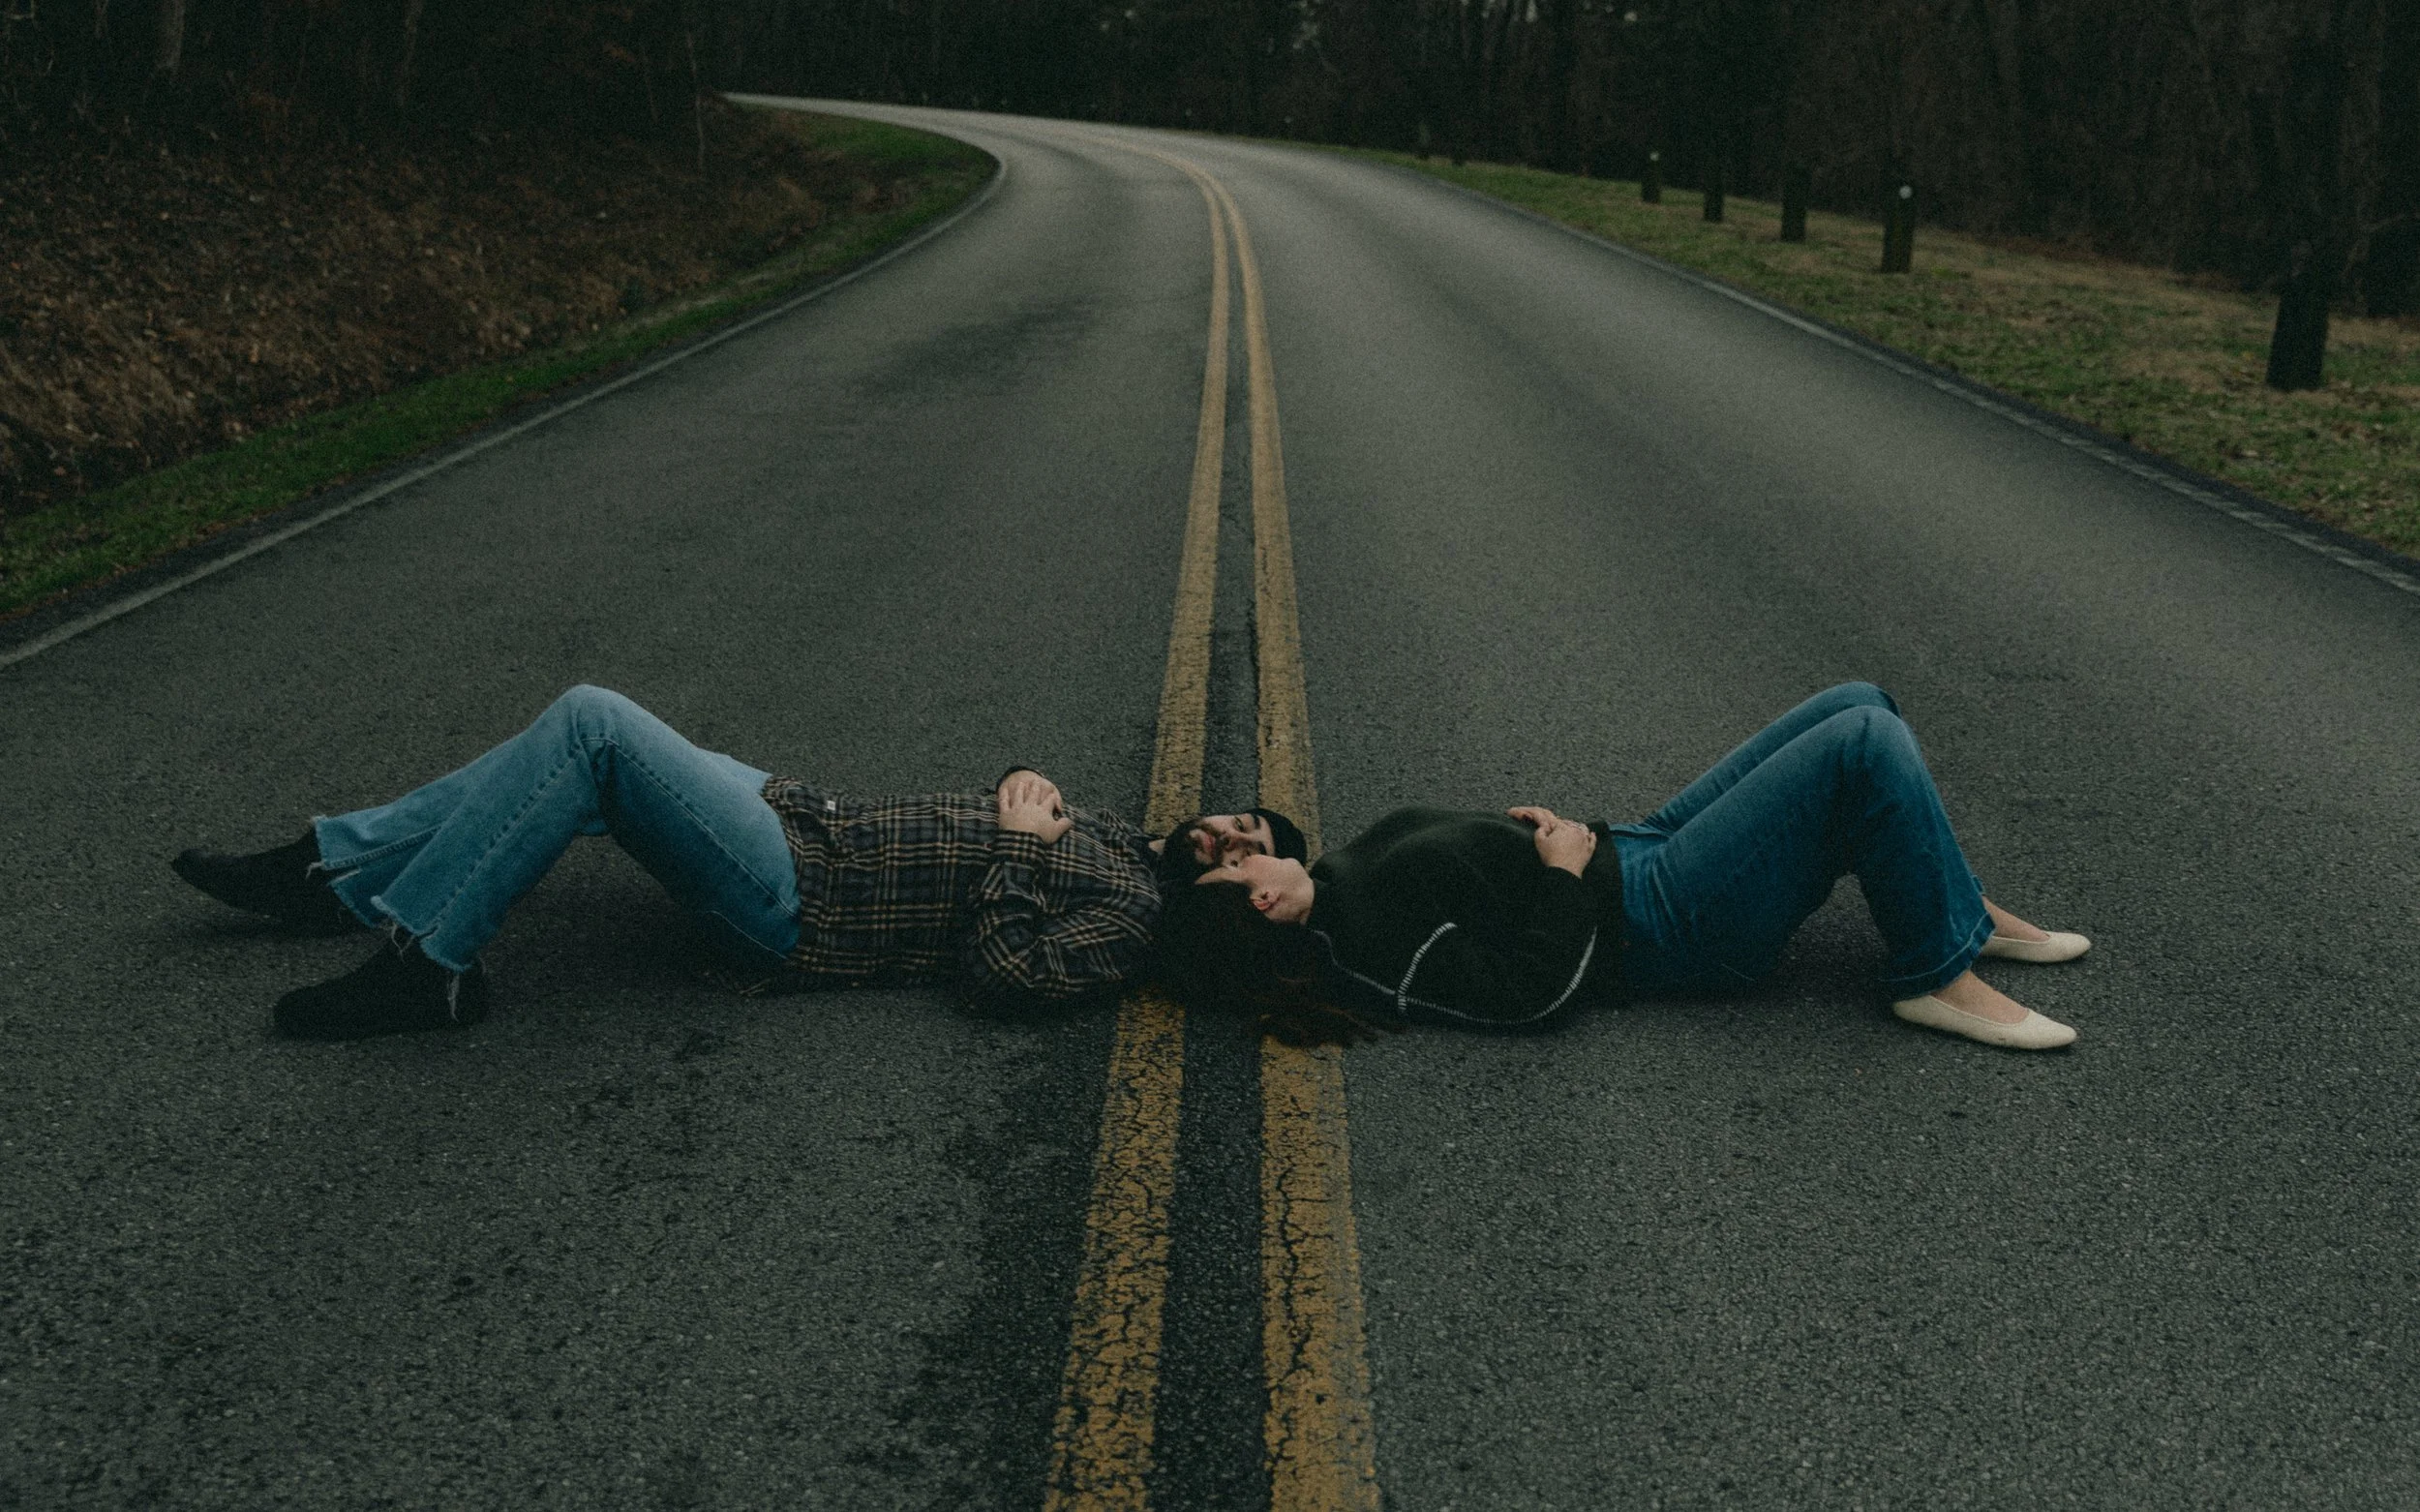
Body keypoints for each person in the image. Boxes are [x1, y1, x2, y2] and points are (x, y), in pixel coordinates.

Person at [171, 684, 1301, 1042]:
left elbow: (1008, 976)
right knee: (568, 759)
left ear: (1234, 895)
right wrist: (1026, 786)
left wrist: (1012, 847)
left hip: (801, 898)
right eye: (1242, 820)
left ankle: (430, 962)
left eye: (1249, 854)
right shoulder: (1123, 839)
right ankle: (333, 871)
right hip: (805, 818)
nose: (1232, 834)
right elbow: (1012, 803)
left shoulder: (1134, 921)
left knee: (592, 727)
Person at [1154, 683, 2088, 1051]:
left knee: (1856, 698)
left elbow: (1468, 888)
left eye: (1237, 845)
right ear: (1264, 906)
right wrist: (1557, 877)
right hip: (1666, 921)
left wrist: (1523, 837)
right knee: (1864, 748)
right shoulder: (1362, 945)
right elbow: (1521, 996)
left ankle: (1951, 902)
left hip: (1635, 848)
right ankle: (1935, 972)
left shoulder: (1337, 877)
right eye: (1232, 870)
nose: (1241, 849)